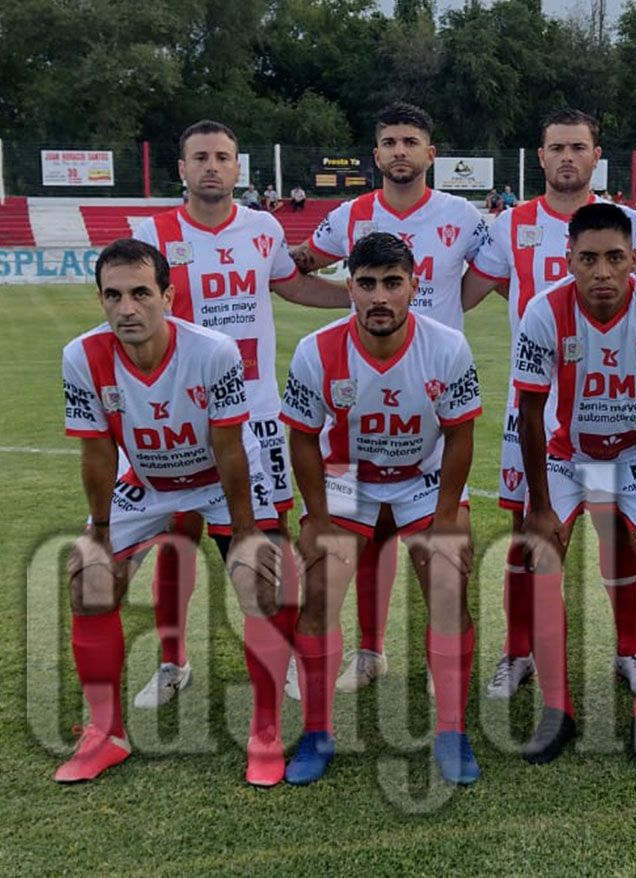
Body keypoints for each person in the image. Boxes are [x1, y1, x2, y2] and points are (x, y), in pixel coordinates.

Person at [131, 120, 347, 722]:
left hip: (255, 415)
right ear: (182, 168)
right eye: (200, 157)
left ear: (236, 168)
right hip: (181, 414)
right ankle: (172, 661)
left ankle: (292, 654)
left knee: (270, 541)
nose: (211, 166)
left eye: (222, 157)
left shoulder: (264, 228)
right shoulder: (153, 235)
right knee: (176, 538)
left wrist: (354, 294)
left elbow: (293, 286)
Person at [58, 239, 282, 784]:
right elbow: (98, 453)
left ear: (168, 296)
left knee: (261, 583)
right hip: (147, 480)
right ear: (100, 299)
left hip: (220, 478)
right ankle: (106, 734)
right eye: (113, 296)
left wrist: (246, 532)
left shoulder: (213, 352)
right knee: (88, 582)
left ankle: (267, 733)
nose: (126, 308)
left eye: (140, 293)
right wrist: (99, 531)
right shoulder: (81, 356)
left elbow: (230, 448)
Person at [462, 108, 636, 701]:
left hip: (618, 405)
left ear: (596, 155)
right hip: (535, 409)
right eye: (557, 148)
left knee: (621, 534)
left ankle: (630, 650)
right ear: (541, 155)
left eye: (579, 147)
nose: (568, 157)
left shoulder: (627, 222)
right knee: (528, 532)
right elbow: (470, 291)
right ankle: (518, 653)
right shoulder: (511, 223)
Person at [290, 102, 490, 694]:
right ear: (376, 154)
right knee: (363, 541)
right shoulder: (350, 214)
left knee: (441, 559)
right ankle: (369, 652)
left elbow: (496, 275)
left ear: (431, 153)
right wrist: (355, 305)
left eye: (411, 141)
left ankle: (438, 659)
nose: (400, 151)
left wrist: (437, 316)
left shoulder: (463, 216)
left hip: (428, 395)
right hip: (359, 406)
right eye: (390, 142)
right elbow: (298, 267)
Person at [280, 232, 482, 786]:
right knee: (319, 592)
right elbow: (303, 438)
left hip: (423, 476)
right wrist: (318, 520)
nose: (379, 297)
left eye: (392, 283)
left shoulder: (446, 347)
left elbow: (460, 435)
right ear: (349, 287)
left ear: (414, 286)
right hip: (349, 478)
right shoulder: (316, 350)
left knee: (448, 584)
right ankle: (317, 732)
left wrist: (448, 518)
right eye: (366, 284)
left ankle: (451, 731)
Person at [511, 203, 636, 769]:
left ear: (634, 258)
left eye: (615, 258)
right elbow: (531, 412)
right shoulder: (543, 312)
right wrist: (540, 507)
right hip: (568, 457)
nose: (602, 272)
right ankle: (557, 709)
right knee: (541, 553)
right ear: (568, 260)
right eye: (588, 259)